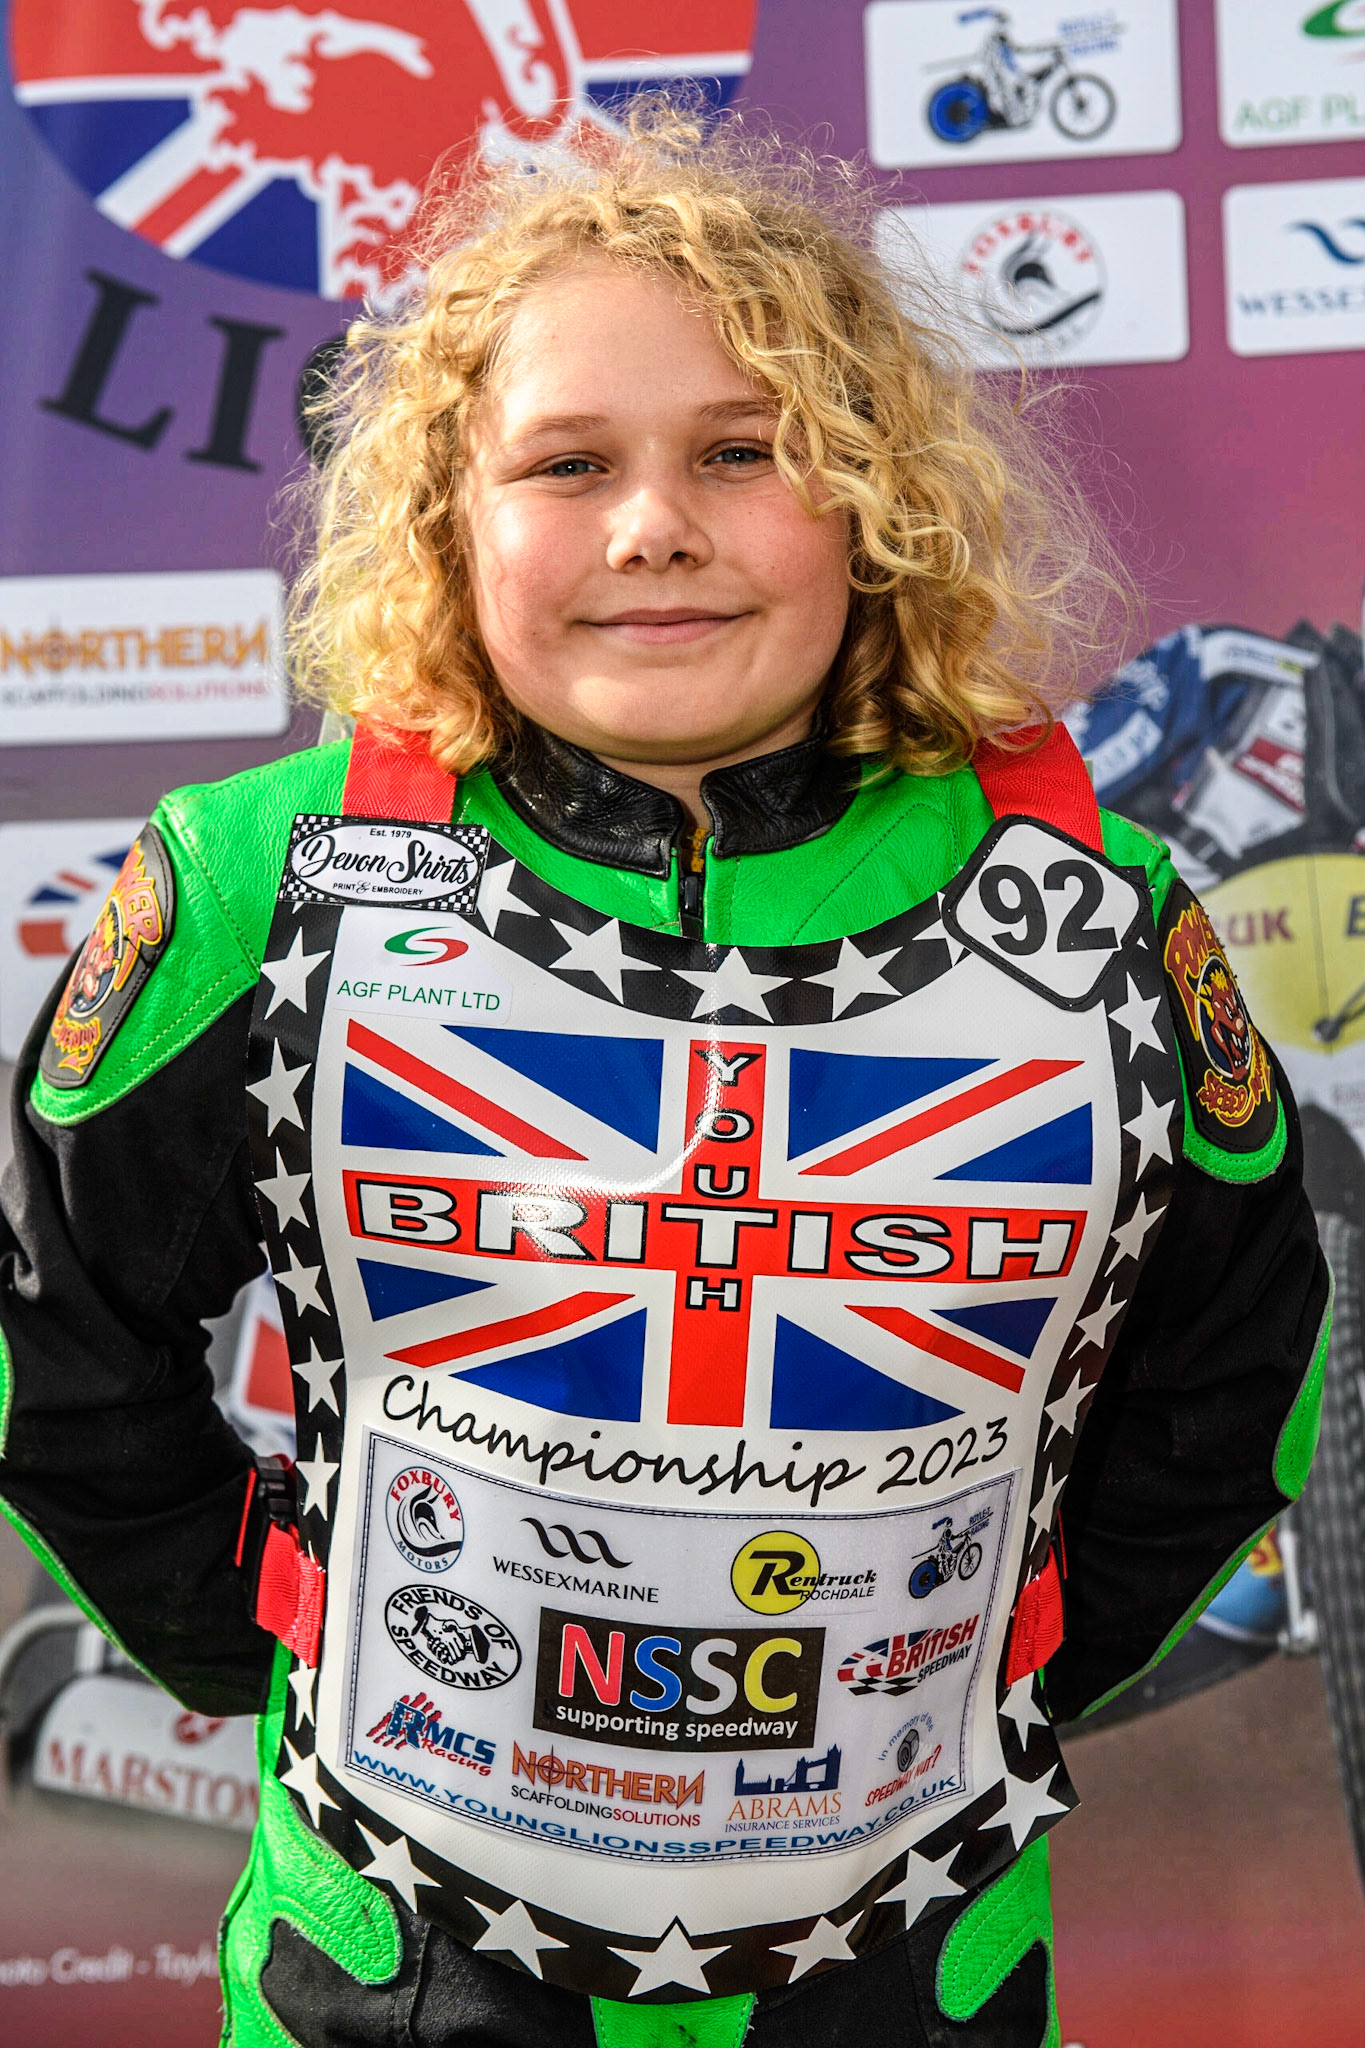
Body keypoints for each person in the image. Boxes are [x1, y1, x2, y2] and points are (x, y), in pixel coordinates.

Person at [0, 110, 1328, 2048]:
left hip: (904, 1951)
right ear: (449, 512)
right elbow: (56, 1336)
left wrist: (993, 1660)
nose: (652, 526)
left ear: (871, 493)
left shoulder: (1099, 914)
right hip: (395, 1958)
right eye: (565, 463)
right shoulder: (254, 884)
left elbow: (1237, 1377)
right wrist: (255, 1630)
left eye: (739, 448)